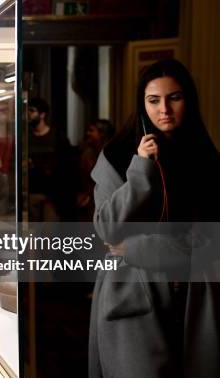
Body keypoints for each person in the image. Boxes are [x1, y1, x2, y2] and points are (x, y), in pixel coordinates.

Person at [89, 59, 220, 378]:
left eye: (174, 97)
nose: (165, 109)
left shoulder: (204, 155)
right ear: (142, 103)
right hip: (132, 294)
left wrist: (136, 248)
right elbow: (107, 230)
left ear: (188, 99)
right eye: (153, 100)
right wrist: (140, 171)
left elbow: (210, 243)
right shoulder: (118, 154)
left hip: (195, 296)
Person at [27, 97, 77, 221]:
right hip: (32, 193)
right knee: (33, 234)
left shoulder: (57, 137)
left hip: (53, 196)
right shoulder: (25, 137)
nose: (28, 114)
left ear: (42, 114)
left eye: (32, 111)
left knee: (51, 234)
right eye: (27, 111)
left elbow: (68, 166)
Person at [76, 119, 115, 220]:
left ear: (102, 134)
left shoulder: (111, 153)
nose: (87, 133)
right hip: (89, 201)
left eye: (91, 130)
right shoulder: (88, 152)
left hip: (105, 201)